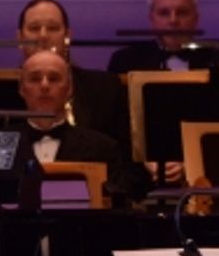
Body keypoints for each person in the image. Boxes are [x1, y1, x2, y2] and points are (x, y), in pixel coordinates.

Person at [19, 50, 143, 199]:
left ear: (70, 89)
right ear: (21, 89)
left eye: (54, 78)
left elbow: (119, 203)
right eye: (35, 79)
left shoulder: (102, 148)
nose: (44, 85)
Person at [17, 0, 132, 157]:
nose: (43, 36)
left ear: (67, 36)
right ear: (20, 37)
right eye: (34, 28)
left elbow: (125, 157)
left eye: (52, 28)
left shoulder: (106, 89)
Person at [107, 0, 219, 74]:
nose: (173, 20)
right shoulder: (125, 61)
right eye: (164, 13)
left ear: (196, 19)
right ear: (151, 19)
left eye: (182, 12)